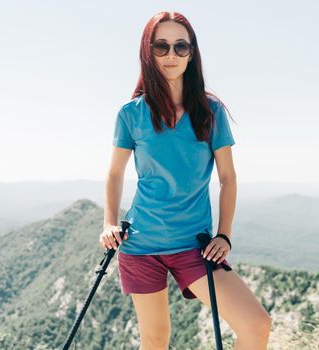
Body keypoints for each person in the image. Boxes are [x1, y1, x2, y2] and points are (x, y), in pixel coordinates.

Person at [99, 11, 272, 350]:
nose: (171, 55)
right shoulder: (131, 114)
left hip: (195, 246)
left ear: (192, 53)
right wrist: (108, 223)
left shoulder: (211, 113)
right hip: (140, 245)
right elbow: (115, 173)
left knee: (256, 325)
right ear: (148, 52)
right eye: (161, 46)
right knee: (156, 340)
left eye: (181, 47)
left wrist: (225, 234)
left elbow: (228, 178)